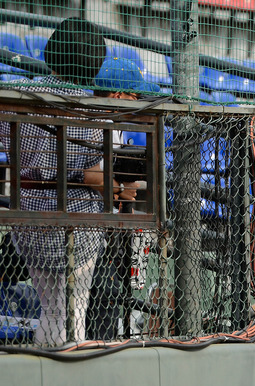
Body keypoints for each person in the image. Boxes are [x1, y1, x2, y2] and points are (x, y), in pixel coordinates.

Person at [0, 17, 107, 346]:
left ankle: (45, 364)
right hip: (79, 225)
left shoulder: (17, 95)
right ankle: (69, 368)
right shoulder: (92, 109)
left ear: (53, 52)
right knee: (74, 310)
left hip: (29, 221)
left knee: (51, 309)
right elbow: (93, 175)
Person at [85, 56, 160, 340]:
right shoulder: (96, 122)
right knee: (104, 296)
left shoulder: (112, 124)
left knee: (104, 296)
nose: (137, 102)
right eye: (134, 96)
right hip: (84, 227)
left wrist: (122, 186)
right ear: (117, 96)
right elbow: (87, 175)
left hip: (100, 228)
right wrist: (119, 189)